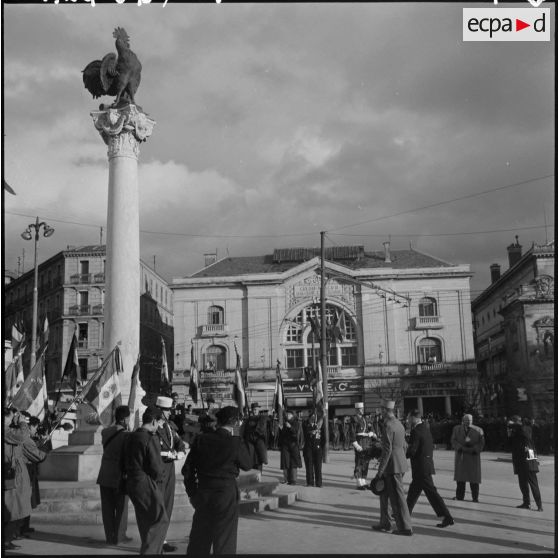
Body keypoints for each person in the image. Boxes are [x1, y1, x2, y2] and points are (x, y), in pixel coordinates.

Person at [183, 406, 255, 555]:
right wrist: (244, 437)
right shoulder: (235, 442)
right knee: (224, 541)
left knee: (199, 540)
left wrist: (192, 493)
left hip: (203, 493)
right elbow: (248, 464)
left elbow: (187, 470)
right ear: (235, 423)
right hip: (225, 494)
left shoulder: (201, 439)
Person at [124, 407, 169, 555]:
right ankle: (150, 552)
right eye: (159, 423)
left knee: (144, 520)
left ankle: (153, 550)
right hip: (144, 481)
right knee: (160, 518)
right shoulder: (150, 438)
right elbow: (156, 466)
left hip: (131, 480)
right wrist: (158, 480)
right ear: (154, 421)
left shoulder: (130, 436)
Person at [3, 408, 46, 550]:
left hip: (16, 476)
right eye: (10, 417)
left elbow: (25, 450)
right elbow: (21, 437)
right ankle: (5, 541)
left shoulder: (10, 431)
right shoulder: (5, 430)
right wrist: (22, 423)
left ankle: (6, 539)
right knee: (13, 510)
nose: (11, 420)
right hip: (10, 475)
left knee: (17, 509)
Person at [405, 410, 454, 528]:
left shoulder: (416, 431)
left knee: (432, 493)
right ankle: (404, 514)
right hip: (424, 465)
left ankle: (447, 517)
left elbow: (413, 450)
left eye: (409, 418)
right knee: (413, 493)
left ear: (414, 418)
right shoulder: (425, 428)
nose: (407, 420)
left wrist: (402, 454)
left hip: (421, 468)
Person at [372, 401, 413, 536]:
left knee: (397, 498)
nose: (379, 412)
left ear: (384, 410)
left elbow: (387, 450)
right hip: (398, 464)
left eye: (381, 410)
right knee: (385, 495)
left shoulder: (388, 425)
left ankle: (405, 527)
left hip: (392, 466)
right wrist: (400, 458)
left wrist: (380, 471)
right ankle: (385, 522)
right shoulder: (399, 424)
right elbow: (405, 446)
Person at [96, 405, 132, 545]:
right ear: (125, 419)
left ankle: (109, 537)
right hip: (119, 475)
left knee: (107, 508)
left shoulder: (105, 432)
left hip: (104, 474)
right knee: (121, 508)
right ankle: (119, 536)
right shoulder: (127, 435)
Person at [155, 396, 187, 553]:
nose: (169, 413)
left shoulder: (169, 426)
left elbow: (179, 441)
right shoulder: (153, 428)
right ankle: (156, 541)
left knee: (168, 505)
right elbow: (153, 450)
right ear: (160, 411)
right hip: (159, 469)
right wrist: (170, 454)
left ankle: (163, 538)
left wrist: (180, 451)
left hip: (169, 471)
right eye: (167, 410)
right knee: (158, 506)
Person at [19, 415, 50, 537]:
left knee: (28, 500)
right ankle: (20, 528)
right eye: (35, 427)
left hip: (29, 471)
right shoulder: (25, 439)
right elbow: (38, 455)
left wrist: (41, 442)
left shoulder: (27, 438)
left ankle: (24, 527)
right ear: (29, 426)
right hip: (26, 471)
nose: (35, 430)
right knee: (26, 500)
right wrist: (45, 445)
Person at [507, 415, 543, 511]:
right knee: (522, 483)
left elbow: (523, 431)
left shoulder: (526, 429)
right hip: (519, 461)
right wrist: (510, 435)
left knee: (533, 483)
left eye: (515, 422)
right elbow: (510, 445)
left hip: (529, 459)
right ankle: (526, 503)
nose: (512, 424)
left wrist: (515, 425)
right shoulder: (516, 431)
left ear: (520, 422)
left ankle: (539, 505)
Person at [451, 413, 485, 502]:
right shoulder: (457, 429)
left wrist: (473, 450)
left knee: (474, 479)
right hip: (461, 456)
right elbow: (453, 440)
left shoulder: (479, 430)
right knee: (460, 479)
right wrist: (460, 448)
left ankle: (475, 498)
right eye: (467, 420)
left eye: (470, 420)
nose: (469, 422)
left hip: (473, 457)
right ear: (463, 420)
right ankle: (459, 496)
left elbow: (481, 443)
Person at [352, 402, 378, 489]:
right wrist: (356, 445)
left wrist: (372, 433)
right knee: (359, 462)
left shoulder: (365, 419)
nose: (362, 410)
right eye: (360, 409)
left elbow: (372, 429)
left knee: (366, 462)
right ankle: (359, 482)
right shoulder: (354, 419)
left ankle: (364, 480)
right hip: (359, 442)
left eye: (362, 409)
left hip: (367, 443)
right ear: (356, 410)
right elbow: (352, 434)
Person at [278, 411, 304, 485]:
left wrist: (290, 427)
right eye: (287, 414)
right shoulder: (285, 422)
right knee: (286, 463)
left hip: (293, 445)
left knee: (293, 463)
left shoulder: (296, 423)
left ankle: (293, 480)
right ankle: (287, 479)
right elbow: (282, 436)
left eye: (289, 414)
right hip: (285, 446)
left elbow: (296, 433)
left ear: (293, 415)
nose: (288, 415)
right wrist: (281, 429)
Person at [302, 411, 325, 487]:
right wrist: (311, 432)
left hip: (318, 449)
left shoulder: (320, 426)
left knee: (318, 467)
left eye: (314, 418)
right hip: (308, 448)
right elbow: (305, 433)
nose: (313, 419)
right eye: (312, 417)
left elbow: (324, 438)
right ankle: (310, 482)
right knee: (309, 467)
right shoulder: (305, 425)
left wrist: (321, 447)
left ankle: (319, 483)